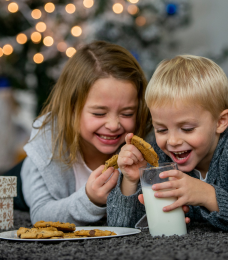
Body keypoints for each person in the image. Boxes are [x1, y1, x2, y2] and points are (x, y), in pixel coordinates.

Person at [107, 55, 228, 231]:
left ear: (220, 121)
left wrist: (206, 194)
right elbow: (120, 225)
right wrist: (130, 181)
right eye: (162, 129)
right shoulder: (159, 154)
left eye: (188, 128)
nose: (172, 141)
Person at [16, 41, 151, 226]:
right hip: (22, 181)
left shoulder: (142, 143)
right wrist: (90, 199)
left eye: (127, 113)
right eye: (99, 113)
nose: (113, 125)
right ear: (71, 108)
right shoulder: (46, 145)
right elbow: (40, 215)